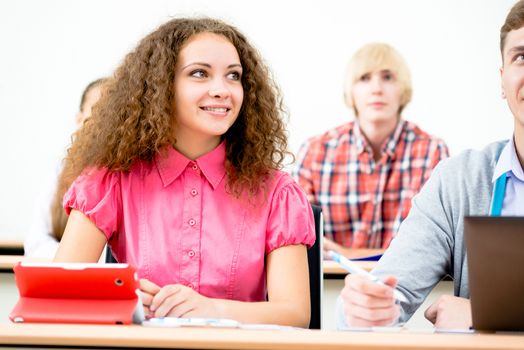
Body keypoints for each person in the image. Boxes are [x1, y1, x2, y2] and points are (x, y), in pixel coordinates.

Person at [53, 18, 315, 327]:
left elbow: (295, 314)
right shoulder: (110, 180)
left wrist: (212, 309)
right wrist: (119, 296)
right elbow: (57, 295)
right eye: (200, 74)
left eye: (233, 76)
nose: (222, 90)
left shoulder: (276, 192)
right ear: (162, 86)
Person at [337, 0, 524, 329]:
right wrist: (365, 309)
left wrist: (482, 316)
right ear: (502, 79)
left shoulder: (428, 148)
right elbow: (392, 290)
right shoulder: (460, 181)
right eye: (521, 57)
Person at [293, 43, 448, 252]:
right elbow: (299, 234)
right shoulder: (314, 152)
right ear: (351, 92)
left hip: (402, 282)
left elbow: (434, 239)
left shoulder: (432, 152)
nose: (376, 89)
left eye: (388, 77)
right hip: (329, 282)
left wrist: (344, 254)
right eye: (364, 78)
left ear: (403, 90)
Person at [24, 78, 107, 258]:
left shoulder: (131, 173)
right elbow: (36, 243)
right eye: (94, 117)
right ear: (79, 120)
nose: (102, 129)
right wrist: (83, 255)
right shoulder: (60, 170)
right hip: (69, 279)